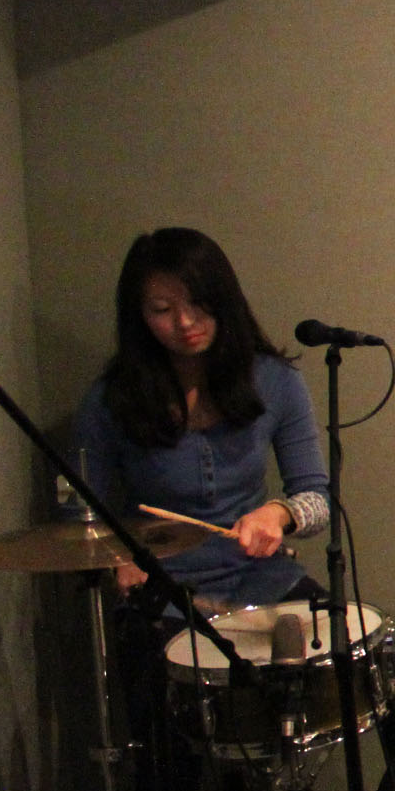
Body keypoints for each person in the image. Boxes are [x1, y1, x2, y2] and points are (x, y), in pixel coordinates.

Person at [75, 227, 330, 612]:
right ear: (139, 317)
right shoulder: (111, 400)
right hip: (163, 591)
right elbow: (79, 518)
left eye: (198, 302)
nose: (185, 321)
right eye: (162, 310)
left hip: (261, 579)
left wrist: (279, 514)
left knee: (362, 658)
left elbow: (318, 499)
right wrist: (118, 561)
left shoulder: (275, 380)